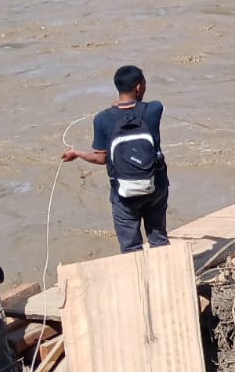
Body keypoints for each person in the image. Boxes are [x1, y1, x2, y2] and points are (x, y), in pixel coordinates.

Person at [62, 65, 170, 253]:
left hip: (123, 193)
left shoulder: (102, 119)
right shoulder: (154, 110)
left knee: (130, 247)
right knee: (159, 240)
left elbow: (100, 159)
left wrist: (77, 153)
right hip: (156, 186)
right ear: (139, 88)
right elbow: (145, 106)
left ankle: (136, 271)